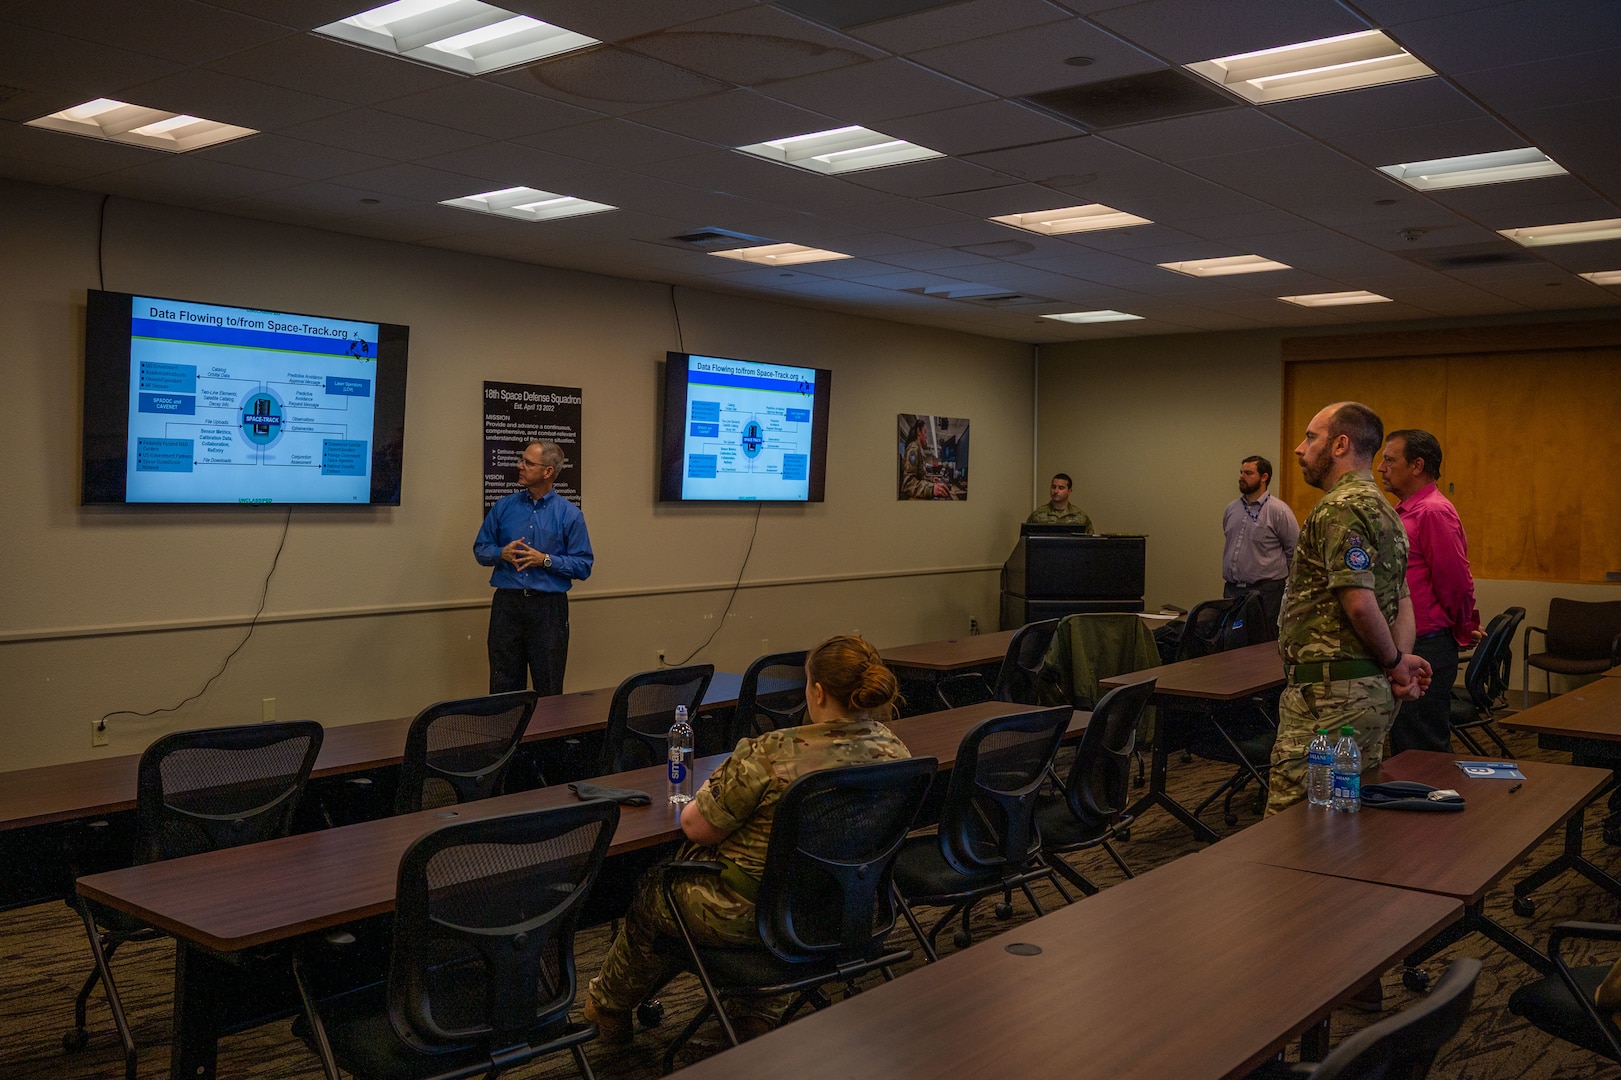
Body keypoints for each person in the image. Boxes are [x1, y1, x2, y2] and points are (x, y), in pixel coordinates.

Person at [584, 635, 910, 1044]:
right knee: (780, 889)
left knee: (655, 891)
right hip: (843, 905)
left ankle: (607, 1008)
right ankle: (754, 1013)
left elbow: (699, 828)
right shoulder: (896, 750)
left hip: (747, 914)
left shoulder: (772, 751)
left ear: (818, 691)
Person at [1269, 402, 1431, 816]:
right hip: (1362, 694)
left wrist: (1395, 662)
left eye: (1311, 437)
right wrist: (1396, 664)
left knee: (1292, 830)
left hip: (1328, 699)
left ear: (1340, 444)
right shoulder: (1386, 510)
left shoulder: (1339, 508)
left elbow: (1360, 604)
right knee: (1343, 824)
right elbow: (1402, 599)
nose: (1298, 448)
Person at [1379, 429, 1482, 754]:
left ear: (1417, 465)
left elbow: (1456, 582)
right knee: (1408, 743)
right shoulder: (1407, 511)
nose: (1381, 467)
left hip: (1427, 645)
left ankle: (1434, 803)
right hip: (1408, 644)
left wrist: (1464, 626)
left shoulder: (1432, 511)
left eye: (1389, 459)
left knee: (1420, 749)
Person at [473, 440, 593, 696]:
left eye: (528, 462)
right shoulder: (504, 507)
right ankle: (507, 735)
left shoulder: (569, 515)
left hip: (548, 609)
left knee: (548, 683)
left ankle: (546, 737)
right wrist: (500, 553)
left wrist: (545, 560)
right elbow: (481, 549)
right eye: (522, 460)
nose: (520, 466)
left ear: (548, 471)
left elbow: (583, 565)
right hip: (508, 605)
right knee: (503, 684)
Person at [1221, 455, 1299, 632]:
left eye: (1248, 473)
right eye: (1241, 472)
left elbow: (1294, 552)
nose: (1241, 476)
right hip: (1233, 591)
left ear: (1264, 477)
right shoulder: (1231, 509)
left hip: (1266, 593)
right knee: (1230, 643)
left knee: (1262, 646)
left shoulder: (1279, 511)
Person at [1026, 472, 1094, 531]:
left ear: (1069, 491)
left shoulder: (1081, 517)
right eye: (1053, 487)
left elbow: (1090, 543)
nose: (1056, 491)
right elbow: (1025, 542)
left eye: (1061, 488)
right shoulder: (1037, 515)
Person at [901, 416, 949, 499]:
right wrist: (930, 489)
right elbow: (908, 484)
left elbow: (919, 477)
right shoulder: (913, 449)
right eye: (925, 432)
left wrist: (931, 480)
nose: (926, 436)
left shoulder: (918, 449)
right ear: (918, 432)